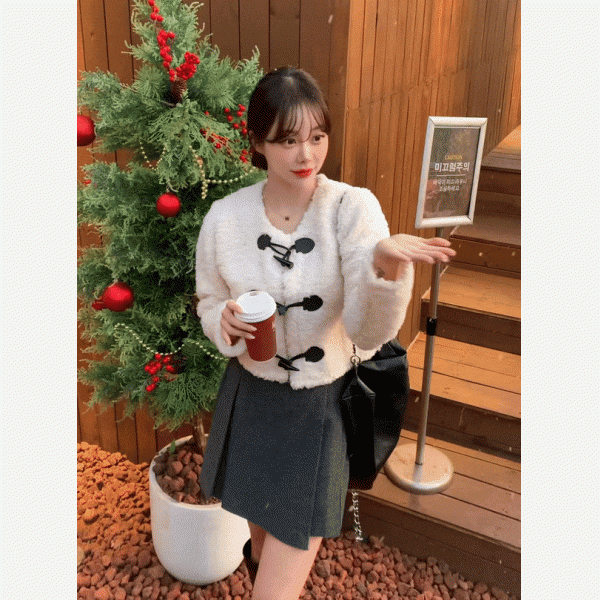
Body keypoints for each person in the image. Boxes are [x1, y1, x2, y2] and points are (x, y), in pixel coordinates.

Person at [195, 67, 455, 600]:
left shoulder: (351, 208)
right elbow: (210, 298)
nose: (306, 154)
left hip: (320, 409)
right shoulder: (225, 218)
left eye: (317, 137)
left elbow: (368, 331)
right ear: (257, 143)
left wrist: (383, 268)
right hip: (251, 396)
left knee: (279, 578)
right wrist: (221, 320)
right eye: (288, 140)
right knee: (261, 545)